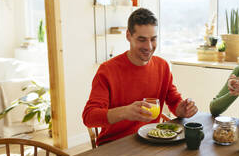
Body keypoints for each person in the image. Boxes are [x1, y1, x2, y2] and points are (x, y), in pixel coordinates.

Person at [83, 8, 198, 145]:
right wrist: (124, 111)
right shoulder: (107, 70)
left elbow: (174, 101)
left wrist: (183, 109)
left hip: (151, 141)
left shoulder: (162, 66)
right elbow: (89, 117)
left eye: (153, 39)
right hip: (114, 146)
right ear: (128, 36)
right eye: (142, 39)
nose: (148, 46)